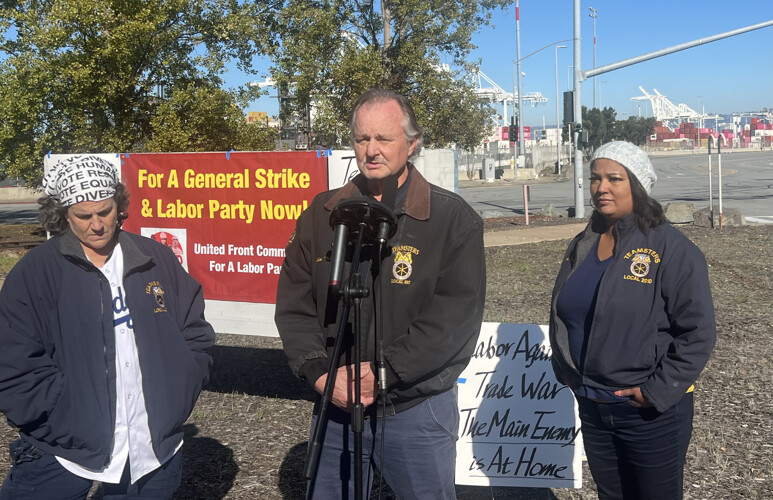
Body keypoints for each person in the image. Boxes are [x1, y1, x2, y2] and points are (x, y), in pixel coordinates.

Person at [275, 88, 486, 499]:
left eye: (384, 139)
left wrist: (386, 372)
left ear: (413, 143)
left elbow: (454, 317)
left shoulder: (451, 218)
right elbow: (294, 306)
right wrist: (319, 373)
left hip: (415, 406)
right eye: (361, 139)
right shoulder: (321, 215)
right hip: (336, 402)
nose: (371, 150)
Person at [0, 155, 215, 499]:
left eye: (105, 212)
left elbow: (194, 332)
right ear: (63, 214)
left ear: (119, 205)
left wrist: (183, 385)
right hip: (63, 450)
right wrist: (57, 411)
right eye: (83, 216)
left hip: (152, 450)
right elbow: (12, 357)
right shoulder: (37, 272)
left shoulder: (155, 259)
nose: (96, 225)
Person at [548, 141, 716, 500]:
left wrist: (657, 391)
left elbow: (698, 332)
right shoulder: (584, 243)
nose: (601, 187)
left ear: (637, 185)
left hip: (647, 412)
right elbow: (568, 313)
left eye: (614, 178)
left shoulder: (671, 248)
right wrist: (565, 367)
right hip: (593, 404)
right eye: (595, 178)